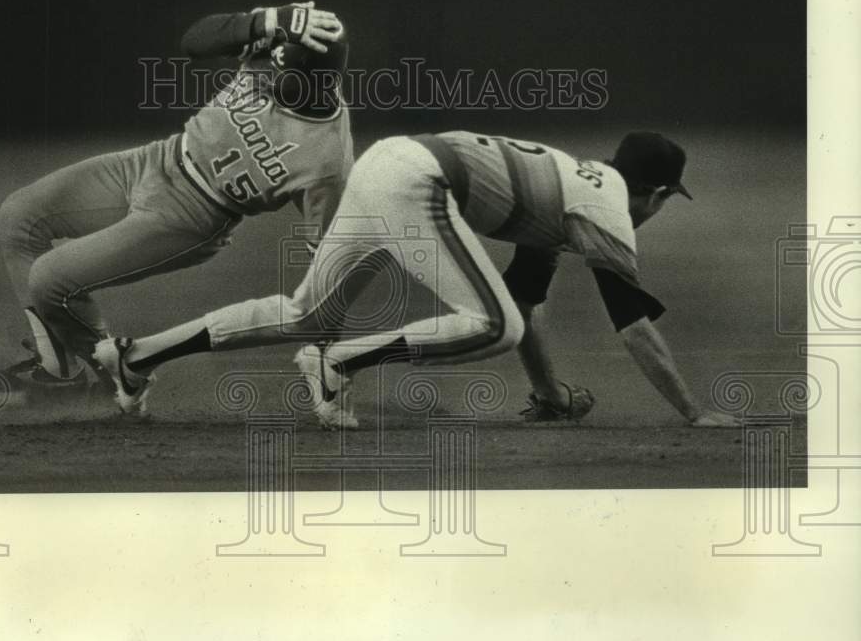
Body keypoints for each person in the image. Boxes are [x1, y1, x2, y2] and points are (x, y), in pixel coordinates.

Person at [94, 130, 739, 429]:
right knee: (491, 327)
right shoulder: (605, 212)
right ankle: (337, 363)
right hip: (419, 180)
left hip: (390, 160)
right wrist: (695, 412)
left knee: (304, 313)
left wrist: (549, 398)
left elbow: (527, 300)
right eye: (662, 201)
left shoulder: (574, 187)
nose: (654, 214)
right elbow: (633, 326)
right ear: (652, 193)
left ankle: (136, 359)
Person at [0, 2, 352, 400]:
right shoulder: (278, 47)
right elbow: (195, 40)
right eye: (274, 60)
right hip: (157, 159)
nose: (270, 71)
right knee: (19, 215)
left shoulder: (326, 161)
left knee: (49, 279)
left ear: (318, 82)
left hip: (192, 215)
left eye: (283, 73)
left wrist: (327, 358)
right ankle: (59, 367)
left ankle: (111, 375)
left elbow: (328, 273)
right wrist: (264, 20)